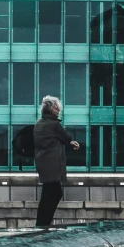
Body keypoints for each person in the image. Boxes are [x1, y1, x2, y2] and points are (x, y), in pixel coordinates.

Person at [29, 95, 81, 228]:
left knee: (48, 192)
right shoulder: (54, 125)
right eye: (57, 108)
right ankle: (43, 223)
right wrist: (73, 143)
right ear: (51, 108)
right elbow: (66, 137)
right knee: (55, 192)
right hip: (52, 164)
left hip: (43, 163)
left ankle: (42, 222)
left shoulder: (39, 123)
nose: (59, 110)